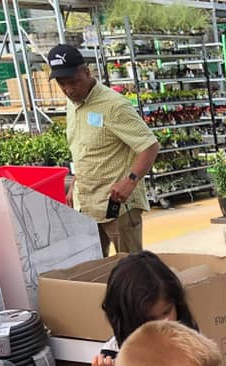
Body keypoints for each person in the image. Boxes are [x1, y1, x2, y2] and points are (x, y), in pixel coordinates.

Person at [47, 44, 159, 256]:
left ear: (87, 73)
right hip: (87, 205)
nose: (69, 89)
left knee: (130, 269)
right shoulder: (72, 103)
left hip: (117, 205)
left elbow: (149, 145)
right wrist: (75, 185)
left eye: (73, 82)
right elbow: (84, 149)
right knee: (93, 268)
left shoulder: (114, 105)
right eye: (62, 84)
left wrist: (130, 181)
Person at [91, 251, 198, 366]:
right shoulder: (115, 357)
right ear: (126, 319)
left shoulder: (185, 336)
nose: (163, 323)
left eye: (166, 311)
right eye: (149, 319)